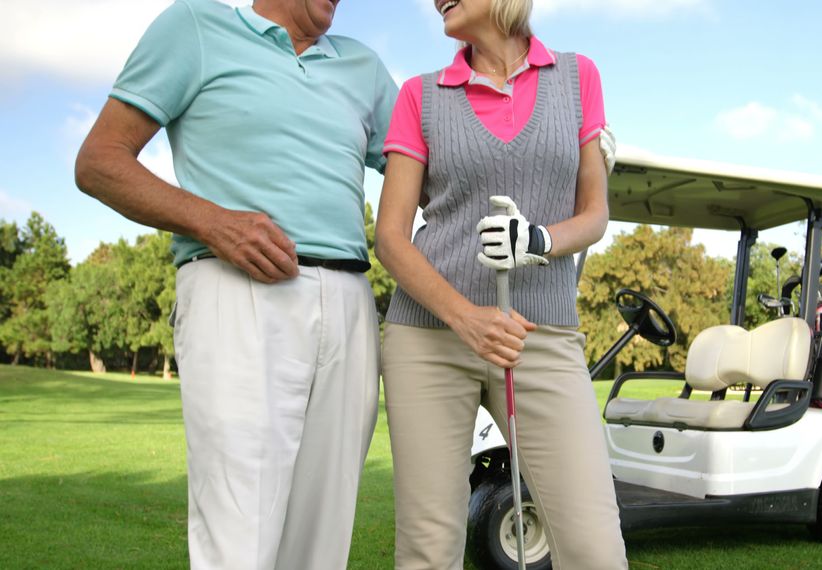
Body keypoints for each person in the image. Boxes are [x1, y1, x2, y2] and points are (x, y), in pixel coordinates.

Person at [73, 0, 397, 567]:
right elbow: (99, 161)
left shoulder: (363, 67)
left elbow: (436, 165)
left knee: (322, 543)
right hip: (235, 289)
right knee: (239, 536)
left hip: (350, 302)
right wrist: (213, 222)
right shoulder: (196, 26)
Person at [374, 0, 627, 567]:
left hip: (542, 334)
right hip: (430, 338)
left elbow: (594, 214)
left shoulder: (578, 76)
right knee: (428, 545)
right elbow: (391, 236)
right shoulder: (421, 95)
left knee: (594, 546)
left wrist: (537, 240)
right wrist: (466, 318)